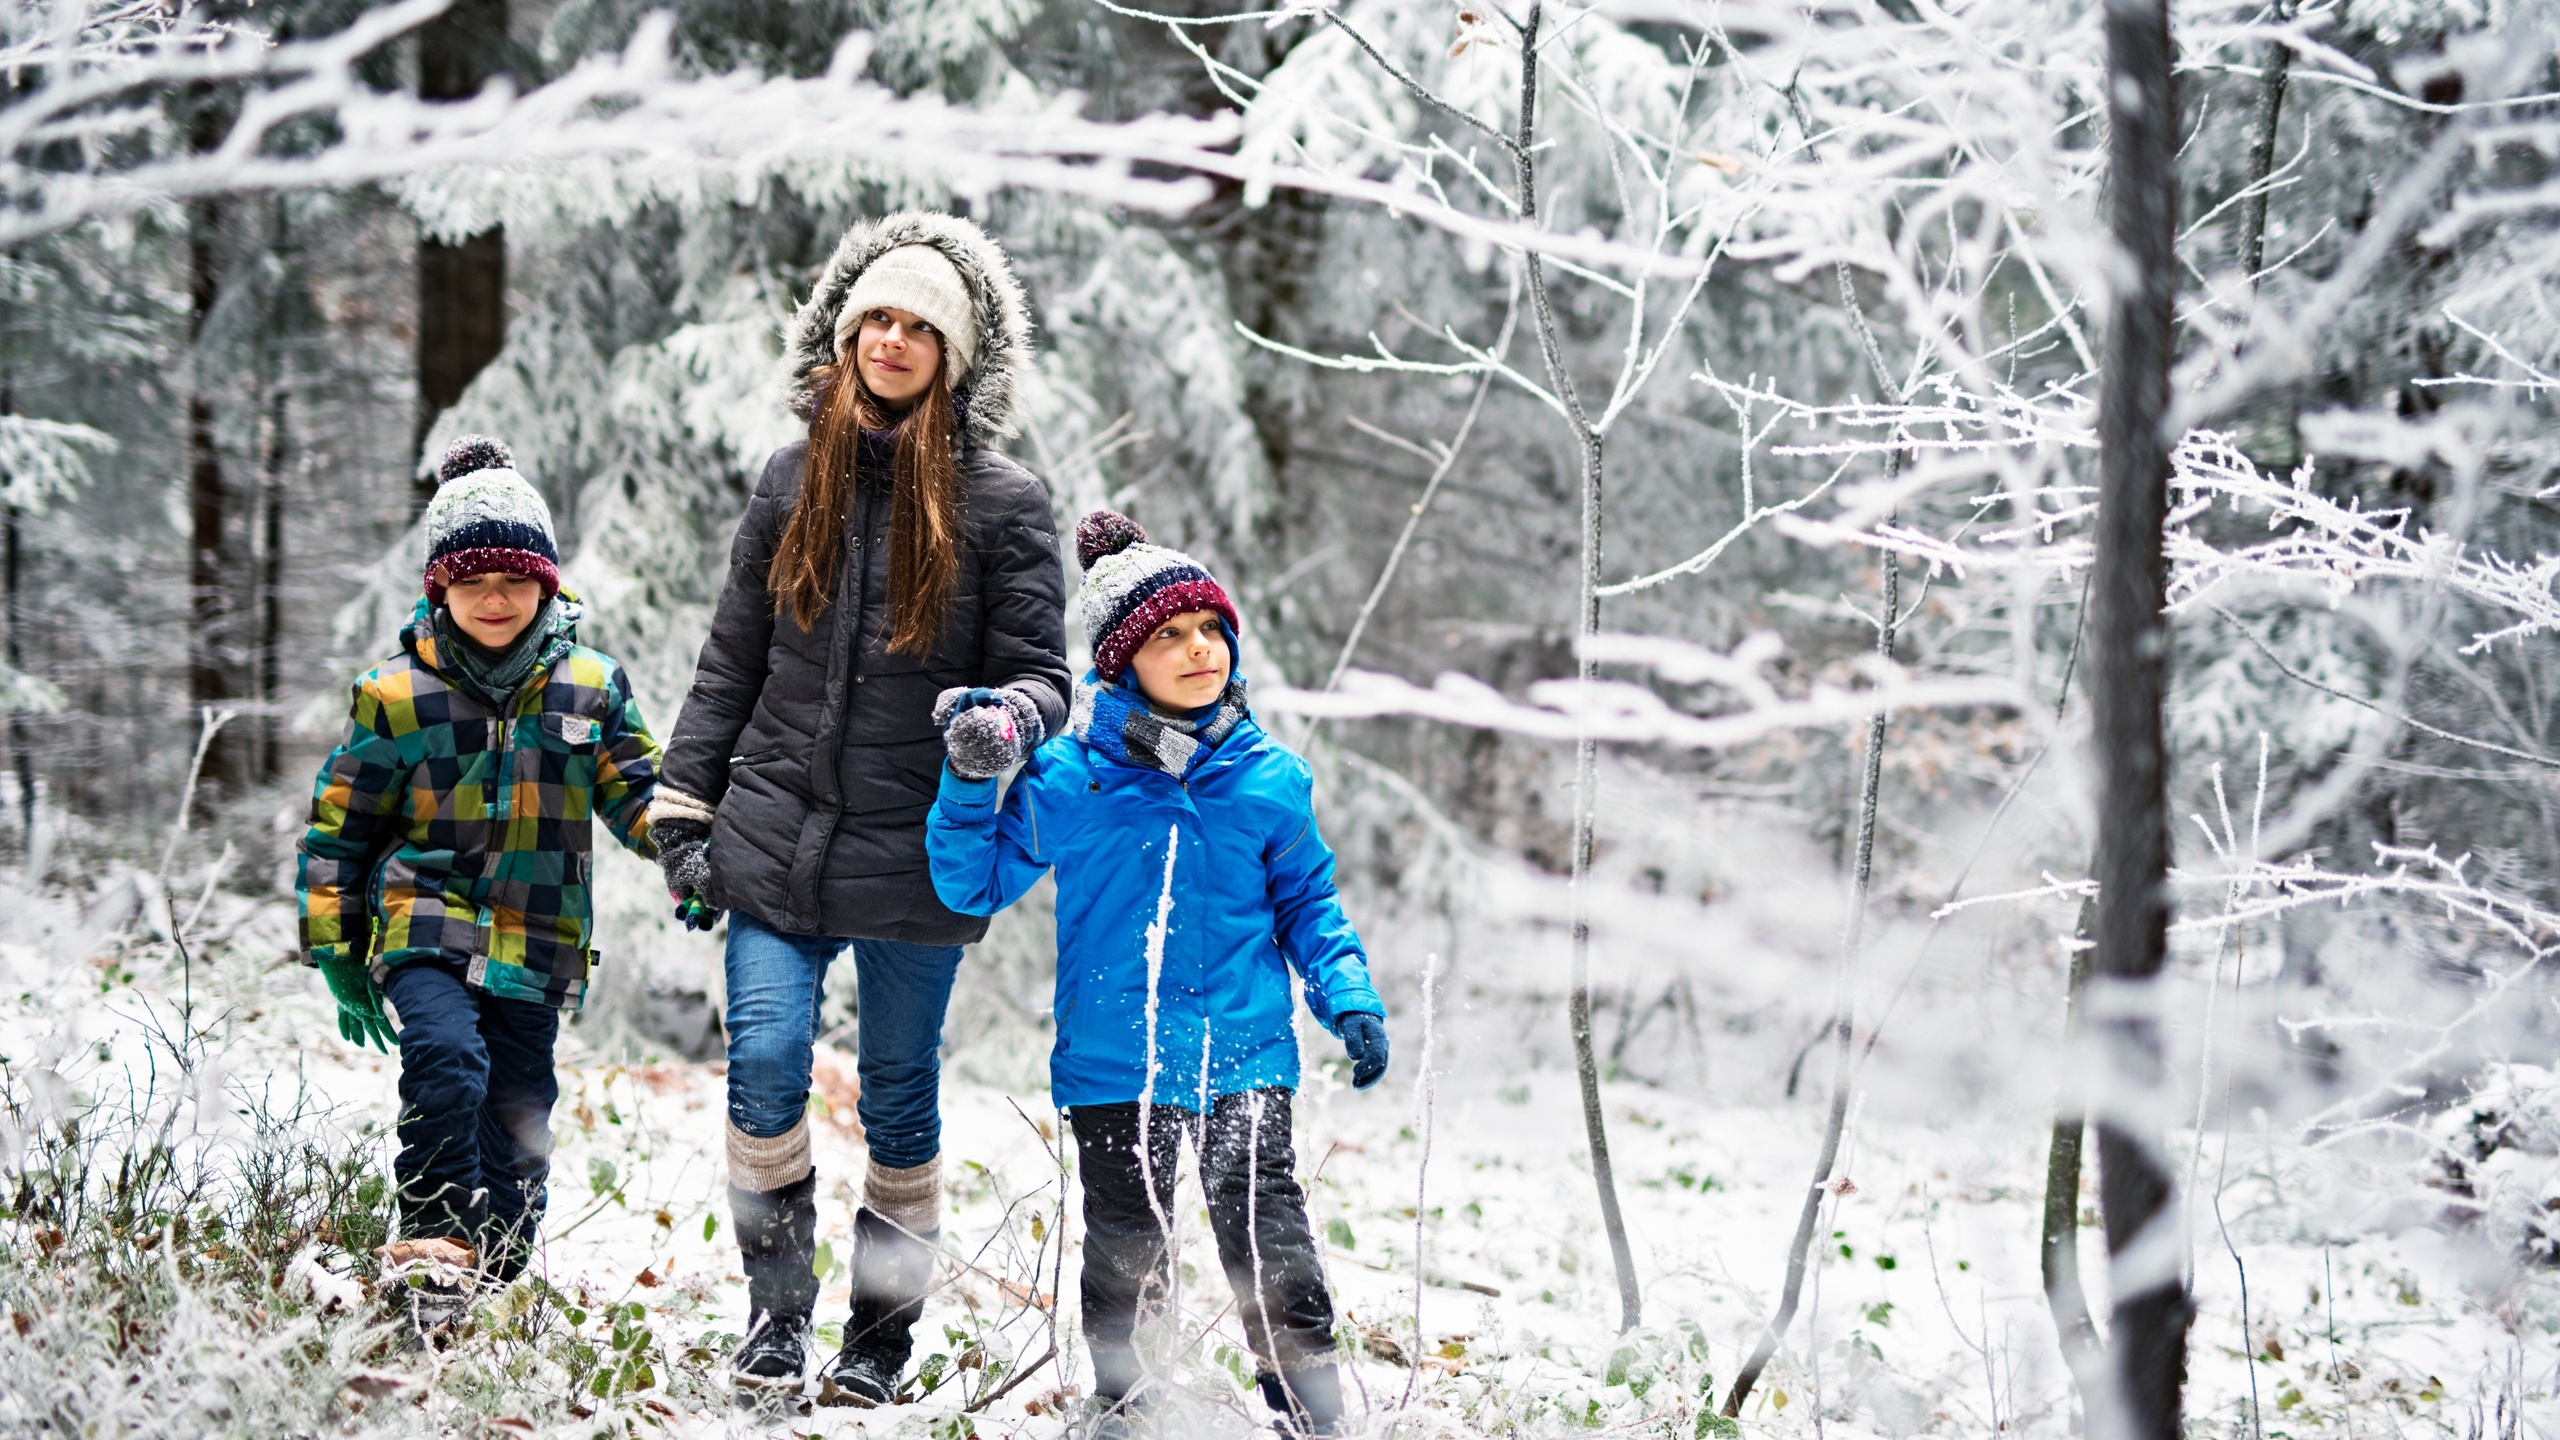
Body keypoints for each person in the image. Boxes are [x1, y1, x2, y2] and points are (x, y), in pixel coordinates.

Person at [647, 211, 1070, 1403]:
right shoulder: (790, 478)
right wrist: (686, 811)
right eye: (873, 319)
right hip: (776, 832)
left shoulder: (1001, 502)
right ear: (842, 336)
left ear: (955, 352)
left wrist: (1006, 726)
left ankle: (876, 1349)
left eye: (917, 325)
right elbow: (731, 656)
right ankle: (774, 1326)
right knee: (766, 1061)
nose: (891, 340)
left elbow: (1048, 678)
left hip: (918, 851)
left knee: (896, 1094)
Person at [927, 511, 1391, 1439]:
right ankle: (1128, 1408)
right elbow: (969, 883)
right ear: (1119, 661)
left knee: (1271, 1242)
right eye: (1170, 636)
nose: (1199, 650)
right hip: (1117, 1060)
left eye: (1211, 629)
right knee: (1126, 1250)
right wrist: (972, 783)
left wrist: (1346, 995)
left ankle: (1315, 1414)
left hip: (1245, 1055)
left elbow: (1308, 905)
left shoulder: (1270, 777)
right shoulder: (1072, 778)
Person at [297, 435, 663, 1307]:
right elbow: (338, 827)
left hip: (539, 936)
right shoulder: (394, 696)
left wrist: (687, 855)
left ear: (547, 582)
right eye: (471, 584)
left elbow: (640, 794)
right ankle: (428, 1240)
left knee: (519, 1114)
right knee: (447, 1058)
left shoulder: (590, 686)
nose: (493, 601)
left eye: (512, 582)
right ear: (440, 589)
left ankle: (494, 1269)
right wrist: (338, 950)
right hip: (423, 918)